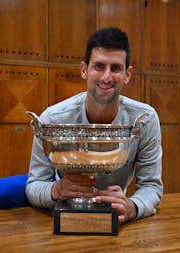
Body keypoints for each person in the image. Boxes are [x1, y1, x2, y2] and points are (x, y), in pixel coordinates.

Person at [25, 27, 163, 223]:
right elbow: (34, 185)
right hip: (65, 210)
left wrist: (133, 207)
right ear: (84, 70)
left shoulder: (145, 119)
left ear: (127, 74)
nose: (106, 77)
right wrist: (56, 190)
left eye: (115, 68)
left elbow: (152, 186)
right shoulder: (53, 118)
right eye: (99, 66)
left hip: (115, 214)